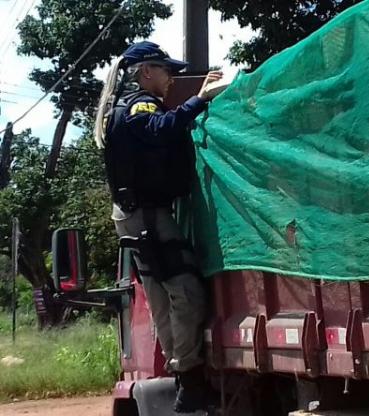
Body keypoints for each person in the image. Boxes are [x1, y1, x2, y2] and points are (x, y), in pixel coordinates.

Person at [93, 41, 223, 413]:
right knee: (186, 290)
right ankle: (190, 378)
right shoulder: (139, 103)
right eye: (167, 71)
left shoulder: (123, 105)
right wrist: (201, 99)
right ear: (146, 71)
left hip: (137, 215)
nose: (171, 78)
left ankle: (185, 380)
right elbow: (159, 130)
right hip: (147, 217)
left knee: (162, 298)